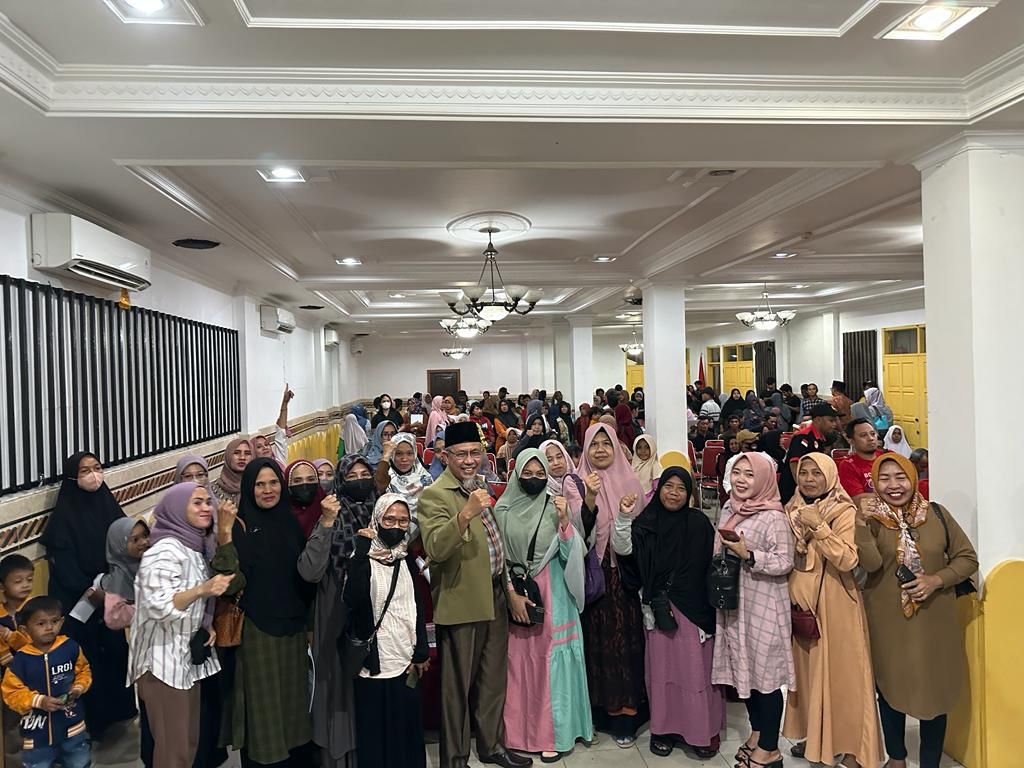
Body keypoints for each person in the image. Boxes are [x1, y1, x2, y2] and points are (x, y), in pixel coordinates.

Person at [417, 421, 532, 768]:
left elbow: (496, 546)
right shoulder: (435, 495)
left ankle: (491, 746)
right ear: (446, 456)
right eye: (461, 454)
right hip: (461, 600)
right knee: (457, 687)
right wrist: (465, 515)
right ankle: (454, 759)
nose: (469, 460)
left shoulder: (480, 485)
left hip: (493, 594)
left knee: (492, 678)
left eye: (475, 453)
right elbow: (435, 548)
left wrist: (508, 590)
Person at [855, 454, 978, 768]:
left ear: (913, 477)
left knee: (934, 691)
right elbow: (870, 565)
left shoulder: (936, 514)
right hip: (887, 622)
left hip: (935, 621)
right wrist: (860, 523)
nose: (894, 485)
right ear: (874, 482)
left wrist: (936, 580)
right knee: (890, 687)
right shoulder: (871, 519)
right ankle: (896, 758)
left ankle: (929, 763)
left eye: (901, 477)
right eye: (884, 478)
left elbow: (967, 559)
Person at [614, 469, 724, 760]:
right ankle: (663, 730)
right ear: (659, 489)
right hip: (660, 609)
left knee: (696, 674)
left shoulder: (699, 523)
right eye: (668, 486)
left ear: (689, 494)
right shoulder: (646, 522)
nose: (673, 493)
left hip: (694, 610)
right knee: (662, 673)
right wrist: (623, 517)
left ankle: (702, 732)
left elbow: (714, 563)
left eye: (680, 489)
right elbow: (624, 551)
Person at [781, 455, 882, 768]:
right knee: (810, 676)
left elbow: (848, 559)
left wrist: (818, 525)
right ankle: (816, 738)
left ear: (829, 475)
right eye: (804, 473)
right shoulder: (791, 508)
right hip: (801, 608)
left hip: (835, 605)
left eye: (817, 473)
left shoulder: (843, 509)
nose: (809, 479)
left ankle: (849, 747)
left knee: (841, 677)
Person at [495, 449, 592, 762]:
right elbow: (496, 558)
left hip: (553, 594)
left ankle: (554, 734)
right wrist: (511, 593)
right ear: (516, 474)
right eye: (527, 473)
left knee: (551, 663)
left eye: (540, 474)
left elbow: (573, 551)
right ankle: (517, 733)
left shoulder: (555, 506)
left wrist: (564, 522)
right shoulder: (502, 509)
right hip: (516, 593)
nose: (534, 479)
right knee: (518, 665)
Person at [130, 483, 235, 768]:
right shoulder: (163, 551)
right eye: (196, 503)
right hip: (161, 664)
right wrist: (203, 590)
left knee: (187, 744)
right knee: (172, 750)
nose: (206, 508)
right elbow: (159, 605)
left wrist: (205, 623)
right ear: (176, 509)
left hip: (182, 659)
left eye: (207, 502)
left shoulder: (193, 546)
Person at [221, 458, 314, 767]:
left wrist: (309, 624)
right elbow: (231, 583)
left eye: (273, 482)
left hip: (294, 628)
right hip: (257, 629)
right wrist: (224, 535)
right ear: (249, 488)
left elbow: (303, 577)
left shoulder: (289, 522)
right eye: (260, 484)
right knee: (264, 708)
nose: (268, 490)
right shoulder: (240, 527)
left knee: (293, 706)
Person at [40, 452, 136, 739]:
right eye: (85, 470)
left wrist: (114, 589)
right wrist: (93, 592)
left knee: (116, 654)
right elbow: (64, 566)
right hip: (78, 604)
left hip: (112, 599)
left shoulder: (109, 507)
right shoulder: (64, 519)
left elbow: (125, 547)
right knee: (86, 662)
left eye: (97, 468)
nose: (93, 475)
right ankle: (93, 724)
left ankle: (120, 711)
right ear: (72, 477)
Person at [712, 453, 795, 768]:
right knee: (743, 671)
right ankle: (758, 733)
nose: (741, 480)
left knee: (766, 677)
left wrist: (750, 555)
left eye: (749, 474)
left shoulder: (773, 516)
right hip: (735, 603)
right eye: (737, 472)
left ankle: (771, 749)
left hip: (763, 605)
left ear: (763, 479)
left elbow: (785, 561)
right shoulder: (729, 508)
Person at [298, 455, 373, 768]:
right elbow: (310, 570)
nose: (359, 480)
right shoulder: (331, 514)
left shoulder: (382, 511)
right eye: (351, 476)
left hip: (376, 611)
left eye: (364, 474)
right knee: (338, 690)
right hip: (336, 610)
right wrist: (327, 523)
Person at [344, 494, 429, 768]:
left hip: (405, 659)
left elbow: (415, 605)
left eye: (403, 521)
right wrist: (360, 554)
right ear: (377, 520)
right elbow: (354, 600)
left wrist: (421, 650)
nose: (396, 526)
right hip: (373, 662)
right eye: (389, 519)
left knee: (405, 733)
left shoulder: (405, 559)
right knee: (374, 736)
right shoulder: (363, 558)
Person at [577, 423, 647, 748]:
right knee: (596, 645)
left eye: (607, 443)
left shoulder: (631, 482)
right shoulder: (577, 483)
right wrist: (589, 498)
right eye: (594, 444)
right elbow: (575, 532)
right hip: (592, 577)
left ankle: (626, 714)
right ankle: (598, 711)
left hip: (624, 578)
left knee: (625, 645)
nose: (601, 450)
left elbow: (644, 535)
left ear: (617, 448)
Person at [2, 596, 92, 768]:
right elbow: (11, 692)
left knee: (79, 762)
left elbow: (83, 670)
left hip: (72, 727)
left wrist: (79, 687)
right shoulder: (21, 660)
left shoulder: (71, 647)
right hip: (37, 734)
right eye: (41, 623)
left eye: (54, 621)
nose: (49, 627)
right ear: (25, 629)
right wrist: (39, 701)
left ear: (62, 621)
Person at [779, 403, 841, 504]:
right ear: (818, 420)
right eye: (831, 421)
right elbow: (794, 464)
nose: (834, 424)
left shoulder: (821, 439)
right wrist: (803, 490)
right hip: (794, 495)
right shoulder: (803, 437)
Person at [100, 517, 151, 630]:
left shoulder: (153, 561)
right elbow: (113, 619)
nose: (144, 542)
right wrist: (149, 610)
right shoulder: (118, 579)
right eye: (135, 540)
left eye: (145, 535)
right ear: (120, 546)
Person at [376, 433, 433, 529]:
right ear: (392, 454)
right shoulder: (385, 477)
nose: (404, 459)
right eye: (398, 454)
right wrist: (385, 457)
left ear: (415, 453)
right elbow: (377, 488)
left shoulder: (425, 478)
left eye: (409, 453)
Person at [837, 419, 885, 505]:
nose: (871, 438)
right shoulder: (848, 465)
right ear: (851, 441)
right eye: (863, 435)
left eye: (873, 434)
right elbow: (858, 499)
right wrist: (890, 495)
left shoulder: (888, 456)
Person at [0, 554, 34, 666]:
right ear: (2, 587)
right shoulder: (1, 615)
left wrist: (9, 636)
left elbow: (36, 646)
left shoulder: (36, 609)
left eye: (29, 580)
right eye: (18, 581)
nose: (25, 585)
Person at [251, 385, 292, 466]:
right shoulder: (251, 471)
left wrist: (284, 403)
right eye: (259, 447)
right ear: (252, 452)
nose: (265, 448)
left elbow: (281, 433)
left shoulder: (279, 461)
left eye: (267, 444)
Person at [285, 459, 327, 537]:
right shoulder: (281, 515)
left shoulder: (328, 509)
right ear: (288, 484)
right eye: (297, 481)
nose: (305, 484)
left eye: (311, 479)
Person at [209, 438, 253, 506]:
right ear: (228, 456)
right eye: (236, 453)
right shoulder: (212, 490)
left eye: (247, 453)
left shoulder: (258, 486)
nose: (242, 457)